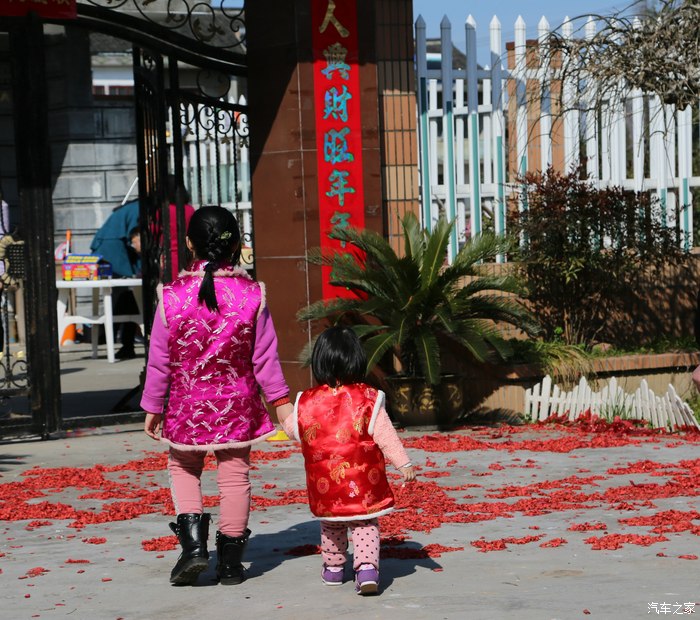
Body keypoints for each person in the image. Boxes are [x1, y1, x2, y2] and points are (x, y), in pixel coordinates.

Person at [140, 205, 292, 587]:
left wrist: (152, 406)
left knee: (183, 467)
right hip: (238, 404)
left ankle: (193, 547)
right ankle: (231, 564)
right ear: (237, 244)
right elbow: (265, 357)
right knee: (234, 477)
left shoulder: (171, 296)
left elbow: (160, 359)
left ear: (189, 244)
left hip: (186, 405)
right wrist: (280, 402)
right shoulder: (252, 294)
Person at [277, 326, 416, 596]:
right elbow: (385, 435)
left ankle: (333, 568)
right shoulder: (368, 398)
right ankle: (366, 569)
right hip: (363, 485)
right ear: (357, 359)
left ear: (319, 361)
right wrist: (404, 463)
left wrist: (280, 404)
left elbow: (294, 430)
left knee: (331, 525)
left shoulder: (307, 401)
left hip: (325, 486)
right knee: (364, 524)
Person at [90, 200, 142, 359]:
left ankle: (120, 341)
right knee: (125, 295)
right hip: (113, 251)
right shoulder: (138, 208)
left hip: (107, 249)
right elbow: (136, 237)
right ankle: (116, 339)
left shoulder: (129, 208)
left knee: (123, 296)